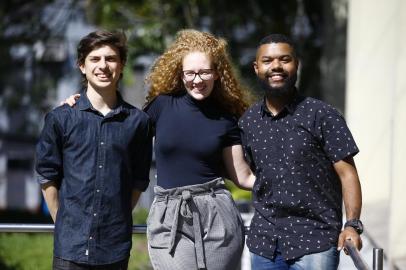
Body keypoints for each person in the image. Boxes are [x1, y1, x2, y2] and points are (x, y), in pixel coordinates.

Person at [62, 29, 255, 270]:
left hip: (217, 212)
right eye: (190, 73)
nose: (197, 79)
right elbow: (119, 130)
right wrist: (78, 108)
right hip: (169, 214)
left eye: (204, 72)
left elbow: (243, 176)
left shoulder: (226, 119)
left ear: (217, 73)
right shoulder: (161, 107)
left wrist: (287, 183)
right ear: (180, 74)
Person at [239, 34, 363, 270]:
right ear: (256, 68)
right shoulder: (248, 122)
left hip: (315, 241)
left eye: (284, 59)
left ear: (297, 64)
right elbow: (257, 174)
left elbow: (348, 174)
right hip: (265, 243)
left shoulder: (322, 115)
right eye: (267, 61)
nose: (276, 66)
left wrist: (352, 225)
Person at [35, 30, 152, 270]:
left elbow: (139, 180)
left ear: (121, 66)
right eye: (95, 59)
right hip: (70, 247)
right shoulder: (61, 118)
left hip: (115, 248)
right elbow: (47, 175)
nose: (103, 66)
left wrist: (115, 218)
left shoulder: (138, 122)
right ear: (82, 66)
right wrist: (65, 224)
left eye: (110, 59)